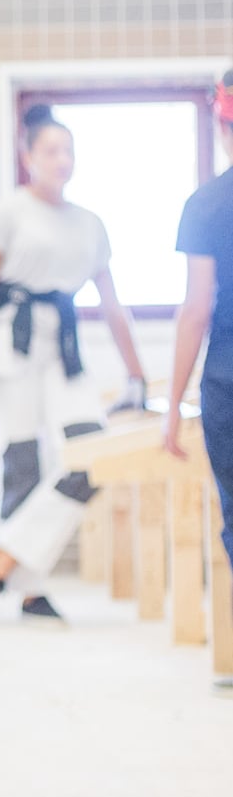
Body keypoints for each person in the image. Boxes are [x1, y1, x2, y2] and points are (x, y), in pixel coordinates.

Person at [0, 103, 147, 622]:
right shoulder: (8, 212)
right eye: (51, 150)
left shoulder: (90, 223)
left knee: (93, 454)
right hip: (11, 347)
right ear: (29, 156)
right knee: (21, 464)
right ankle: (27, 590)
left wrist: (136, 373)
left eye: (68, 150)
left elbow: (112, 304)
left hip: (64, 351)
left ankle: (2, 560)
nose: (61, 159)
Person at [164, 70, 233, 690]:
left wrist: (171, 406)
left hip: (227, 384)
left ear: (221, 119)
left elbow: (197, 309)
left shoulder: (208, 203)